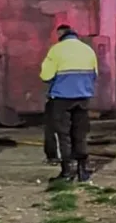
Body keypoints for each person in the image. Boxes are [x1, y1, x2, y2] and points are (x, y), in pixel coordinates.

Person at [40, 25, 98, 183]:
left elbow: (45, 76)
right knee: (80, 134)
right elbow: (94, 75)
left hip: (62, 98)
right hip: (83, 98)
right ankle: (82, 170)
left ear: (60, 35)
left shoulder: (56, 50)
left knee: (62, 134)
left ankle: (67, 171)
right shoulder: (88, 50)